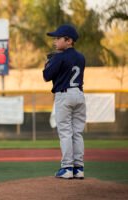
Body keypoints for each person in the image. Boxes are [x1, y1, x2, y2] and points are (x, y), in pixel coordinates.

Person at [43, 24, 86, 179]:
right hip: (79, 95)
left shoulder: (59, 57)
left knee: (65, 132)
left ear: (69, 41)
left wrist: (48, 63)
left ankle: (67, 167)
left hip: (64, 95)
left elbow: (47, 76)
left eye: (58, 38)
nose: (55, 41)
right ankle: (78, 168)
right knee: (77, 132)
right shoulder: (81, 57)